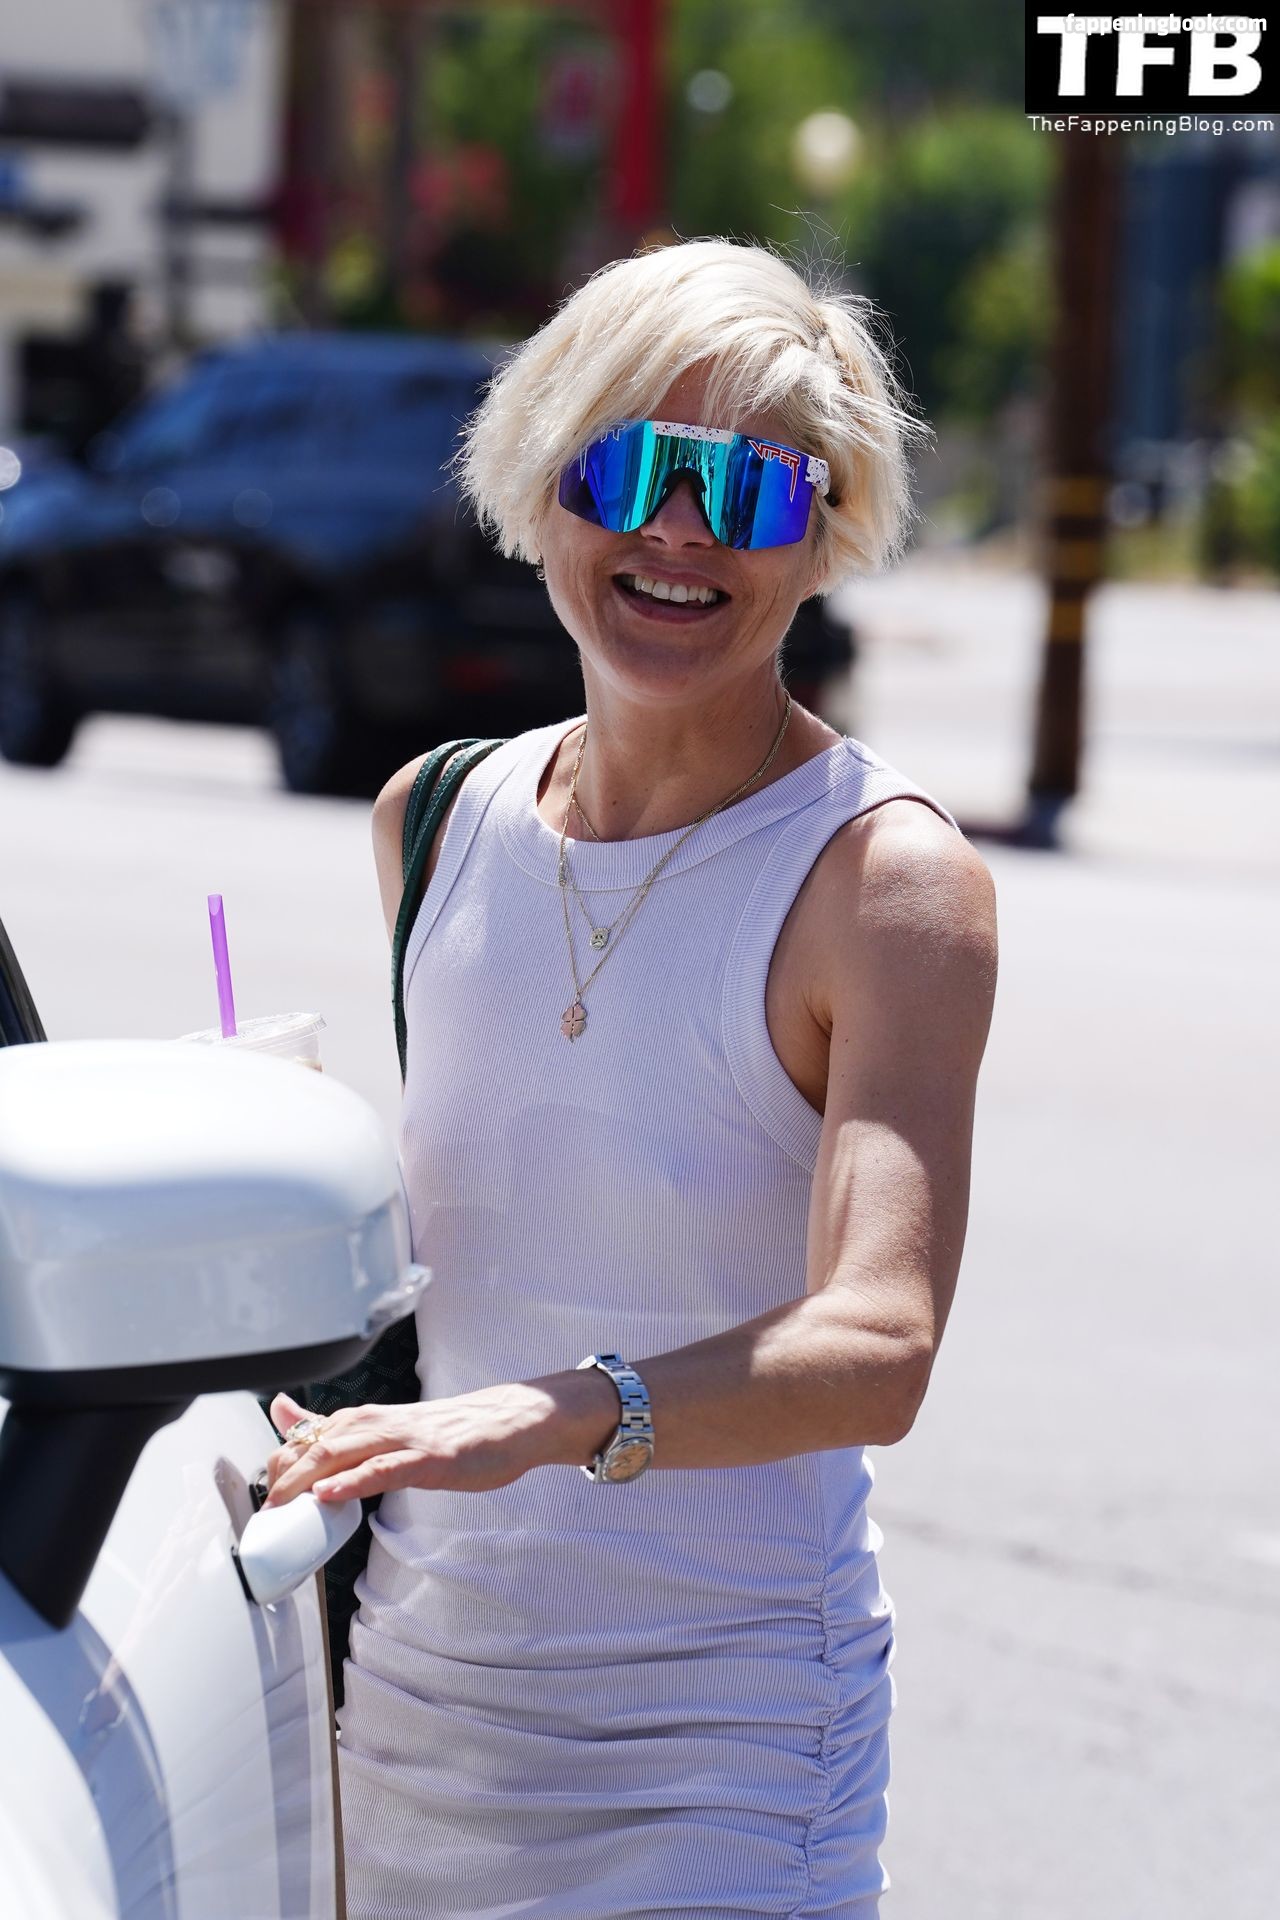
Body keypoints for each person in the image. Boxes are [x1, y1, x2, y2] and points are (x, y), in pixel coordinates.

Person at [264, 237, 998, 1919]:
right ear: (541, 484)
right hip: (417, 1721)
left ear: (823, 531)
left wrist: (549, 1416)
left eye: (746, 488)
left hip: (720, 1758)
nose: (678, 532)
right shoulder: (432, 824)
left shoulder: (882, 882)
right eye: (627, 469)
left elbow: (878, 1346)